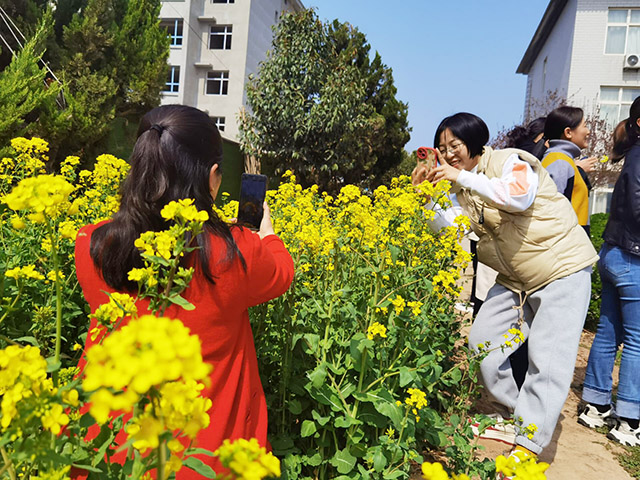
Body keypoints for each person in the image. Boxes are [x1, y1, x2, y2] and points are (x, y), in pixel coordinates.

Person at [73, 105, 295, 476]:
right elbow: (282, 273)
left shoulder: (90, 244)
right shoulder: (234, 253)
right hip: (203, 457)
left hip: (110, 452)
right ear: (212, 177)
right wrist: (265, 235)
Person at [411, 112, 598, 469]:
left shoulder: (510, 161)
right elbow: (448, 226)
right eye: (441, 149)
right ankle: (512, 413)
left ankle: (527, 446)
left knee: (547, 360)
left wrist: (459, 176)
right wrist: (425, 198)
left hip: (561, 269)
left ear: (475, 142)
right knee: (483, 342)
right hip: (517, 279)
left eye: (454, 146)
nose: (447, 154)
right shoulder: (463, 189)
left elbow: (518, 198)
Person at [578, 103, 640, 447]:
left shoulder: (633, 155)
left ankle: (595, 403)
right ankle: (629, 419)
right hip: (633, 258)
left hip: (614, 253)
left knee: (608, 331)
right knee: (636, 340)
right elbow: (638, 208)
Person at [542, 106, 598, 235]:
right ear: (568, 132)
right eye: (584, 126)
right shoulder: (559, 161)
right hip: (565, 243)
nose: (588, 131)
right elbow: (550, 209)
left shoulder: (562, 160)